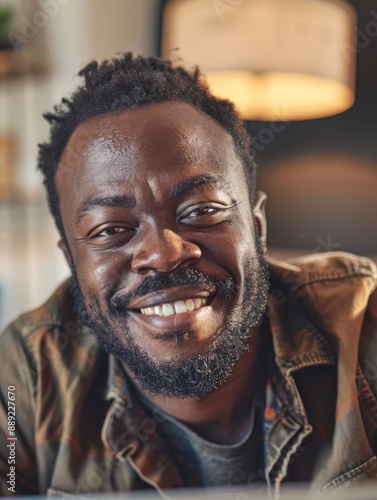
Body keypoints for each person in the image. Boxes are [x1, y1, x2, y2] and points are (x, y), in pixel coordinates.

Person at [0, 53, 377, 498]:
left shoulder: (362, 325)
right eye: (111, 230)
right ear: (72, 261)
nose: (162, 254)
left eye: (201, 211)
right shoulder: (27, 375)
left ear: (256, 228)